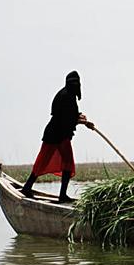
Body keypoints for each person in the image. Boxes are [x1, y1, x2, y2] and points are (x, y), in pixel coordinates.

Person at [21, 70, 95, 202]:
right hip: (54, 134)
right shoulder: (65, 95)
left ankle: (62, 195)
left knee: (67, 163)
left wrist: (79, 117)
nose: (75, 85)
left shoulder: (69, 95)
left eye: (76, 83)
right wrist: (83, 122)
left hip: (62, 135)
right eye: (73, 83)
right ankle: (27, 188)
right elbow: (64, 118)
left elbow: (70, 115)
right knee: (42, 161)